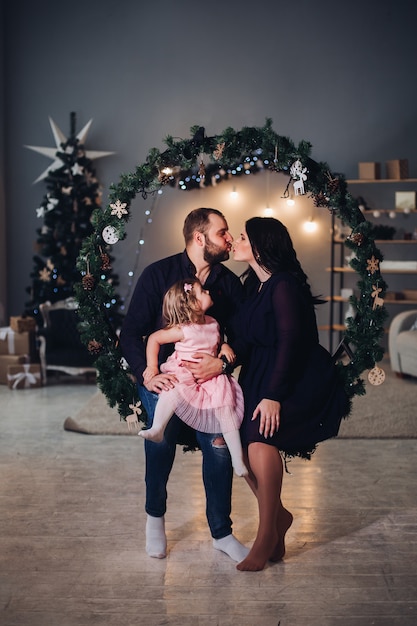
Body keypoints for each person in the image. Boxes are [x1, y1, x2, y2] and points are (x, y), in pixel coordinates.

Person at [119, 207, 249, 562]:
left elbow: (242, 336)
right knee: (161, 434)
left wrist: (223, 357)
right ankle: (154, 518)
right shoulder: (157, 274)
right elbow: (132, 333)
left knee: (219, 442)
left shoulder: (227, 284)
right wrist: (148, 373)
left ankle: (222, 532)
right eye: (222, 232)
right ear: (199, 238)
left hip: (210, 381)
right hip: (167, 375)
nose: (228, 238)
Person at [231, 216, 350, 571]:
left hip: (293, 376)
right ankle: (279, 517)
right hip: (259, 374)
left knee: (259, 439)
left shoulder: (283, 285)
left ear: (259, 244)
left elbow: (290, 342)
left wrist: (273, 395)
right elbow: (248, 337)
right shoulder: (255, 284)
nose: (236, 241)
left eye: (242, 236)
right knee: (236, 441)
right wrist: (227, 354)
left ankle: (267, 533)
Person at [140, 277, 248, 478]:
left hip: (211, 376)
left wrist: (224, 347)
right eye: (202, 292)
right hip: (184, 370)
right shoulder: (183, 329)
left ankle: (237, 459)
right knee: (172, 386)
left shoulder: (214, 323)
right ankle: (157, 428)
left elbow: (217, 342)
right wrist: (152, 366)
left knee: (225, 406)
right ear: (193, 304)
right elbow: (154, 338)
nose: (207, 292)